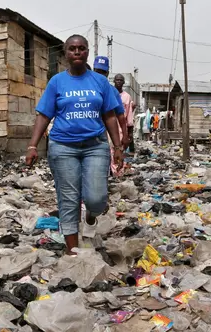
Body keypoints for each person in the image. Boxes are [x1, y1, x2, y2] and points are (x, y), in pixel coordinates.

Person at [25, 34, 123, 255]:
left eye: (81, 48)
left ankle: (90, 216)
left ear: (87, 52)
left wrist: (117, 147)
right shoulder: (57, 82)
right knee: (68, 199)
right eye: (72, 49)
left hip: (95, 146)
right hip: (63, 147)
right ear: (66, 53)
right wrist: (33, 145)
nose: (77, 52)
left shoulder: (100, 82)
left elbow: (109, 116)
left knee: (96, 198)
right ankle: (73, 251)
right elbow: (43, 115)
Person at [93, 57, 127, 176]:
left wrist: (125, 135)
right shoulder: (86, 88)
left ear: (107, 73)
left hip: (104, 134)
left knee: (102, 165)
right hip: (87, 134)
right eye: (97, 71)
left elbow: (120, 116)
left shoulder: (112, 91)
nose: (100, 75)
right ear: (93, 70)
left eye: (103, 72)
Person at [114, 74, 135, 153]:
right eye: (117, 80)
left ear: (123, 82)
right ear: (114, 81)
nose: (119, 82)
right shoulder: (109, 93)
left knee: (119, 149)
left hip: (122, 126)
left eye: (120, 80)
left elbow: (129, 114)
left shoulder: (127, 96)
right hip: (110, 124)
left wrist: (129, 133)